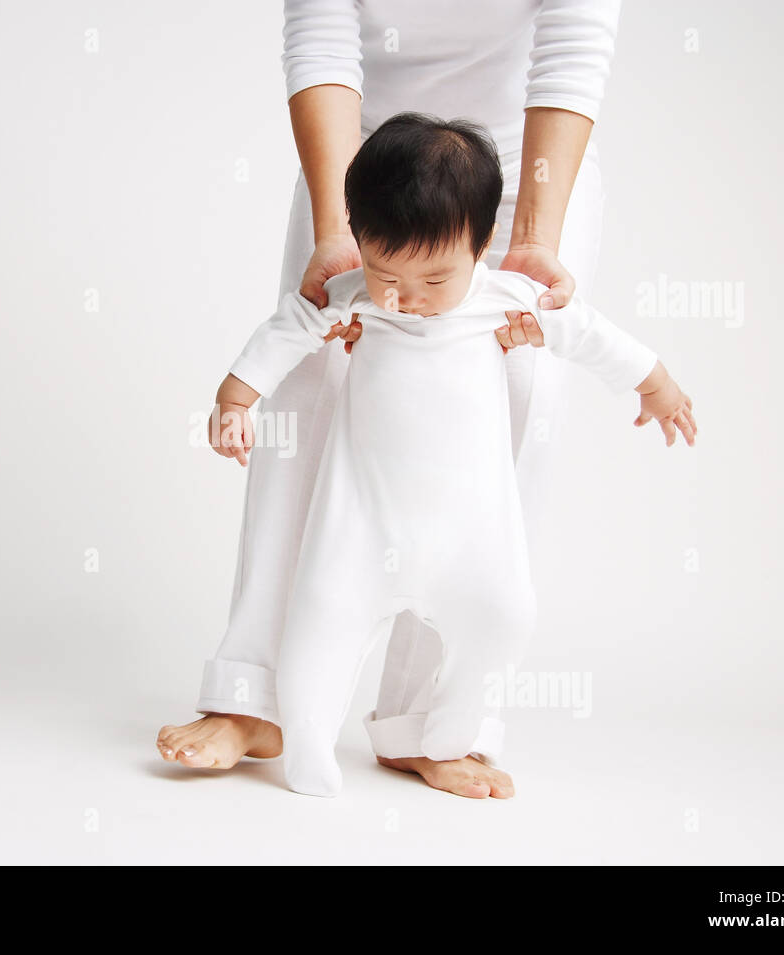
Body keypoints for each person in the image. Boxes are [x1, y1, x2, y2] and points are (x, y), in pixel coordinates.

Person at [159, 0, 635, 798]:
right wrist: (338, 226)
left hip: (523, 165)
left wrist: (535, 238)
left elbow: (574, 42)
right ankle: (256, 694)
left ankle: (430, 723)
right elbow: (322, 36)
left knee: (519, 393)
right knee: (304, 387)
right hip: (367, 170)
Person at [207, 113, 693, 796]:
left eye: (434, 280)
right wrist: (235, 398)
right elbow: (287, 330)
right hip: (360, 529)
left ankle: (442, 739)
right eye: (385, 273)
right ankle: (307, 740)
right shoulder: (353, 296)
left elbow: (589, 335)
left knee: (505, 613)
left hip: (470, 537)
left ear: (482, 244)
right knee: (321, 618)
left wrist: (656, 383)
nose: (405, 299)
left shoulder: (509, 300)